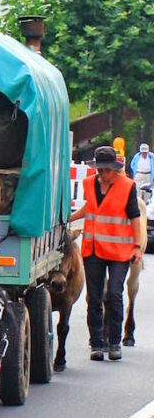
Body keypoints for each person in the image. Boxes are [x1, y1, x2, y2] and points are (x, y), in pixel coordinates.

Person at [68, 146, 144, 361]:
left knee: (114, 294)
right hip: (93, 250)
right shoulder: (89, 184)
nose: (102, 174)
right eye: (99, 170)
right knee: (94, 297)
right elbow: (89, 208)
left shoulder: (127, 187)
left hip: (120, 251)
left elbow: (135, 217)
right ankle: (97, 343)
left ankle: (114, 343)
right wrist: (69, 218)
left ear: (115, 170)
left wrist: (137, 246)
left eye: (106, 170)